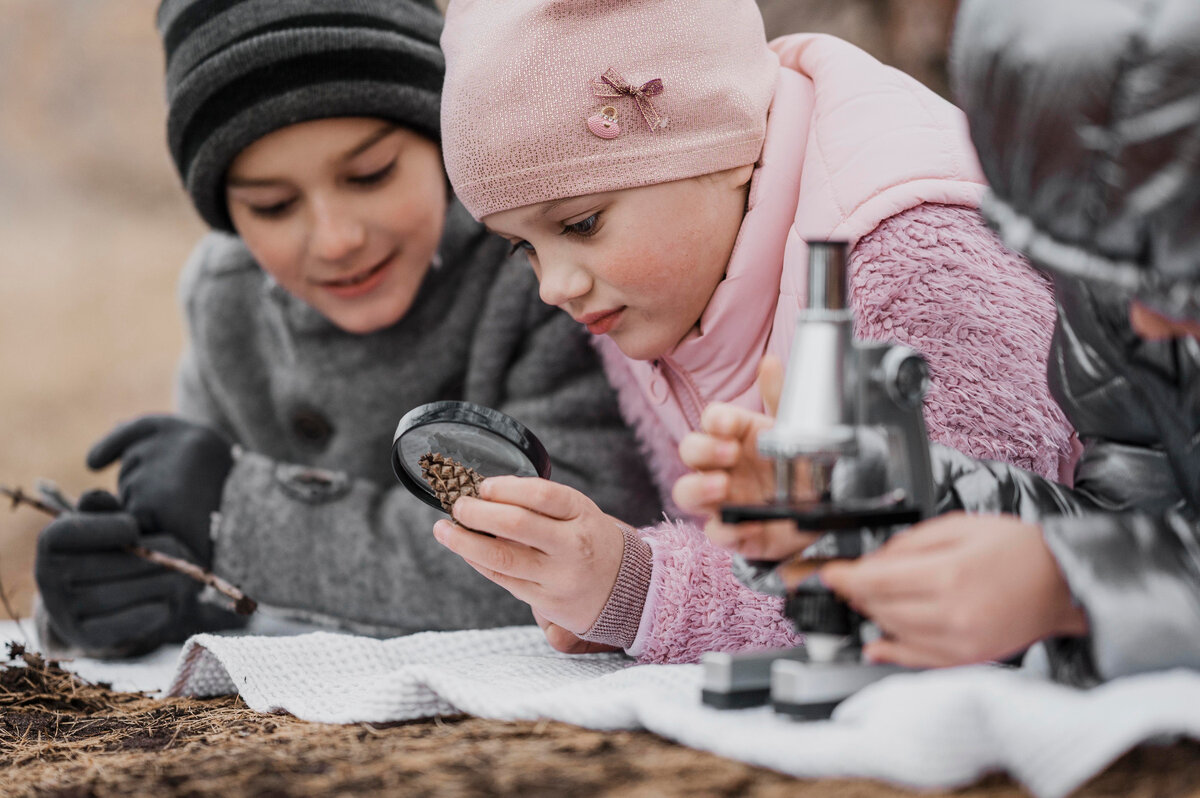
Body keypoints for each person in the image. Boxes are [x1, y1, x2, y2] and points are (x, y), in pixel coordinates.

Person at [426, 0, 1078, 663]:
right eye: (523, 248)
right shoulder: (652, 285)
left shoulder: (921, 263)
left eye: (581, 224)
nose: (554, 285)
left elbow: (967, 577)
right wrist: (599, 594)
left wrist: (642, 591)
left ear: (727, 145)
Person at [33, 0, 661, 659]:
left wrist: (241, 516)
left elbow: (582, 558)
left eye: (371, 174)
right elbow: (206, 546)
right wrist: (134, 584)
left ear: (443, 138)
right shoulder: (230, 301)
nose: (336, 240)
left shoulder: (537, 264)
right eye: (272, 206)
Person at [681, 0, 1200, 685]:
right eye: (1100, 269)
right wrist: (877, 502)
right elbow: (1138, 517)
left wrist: (1073, 584)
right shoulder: (1110, 290)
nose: (1147, 323)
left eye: (1178, 276)